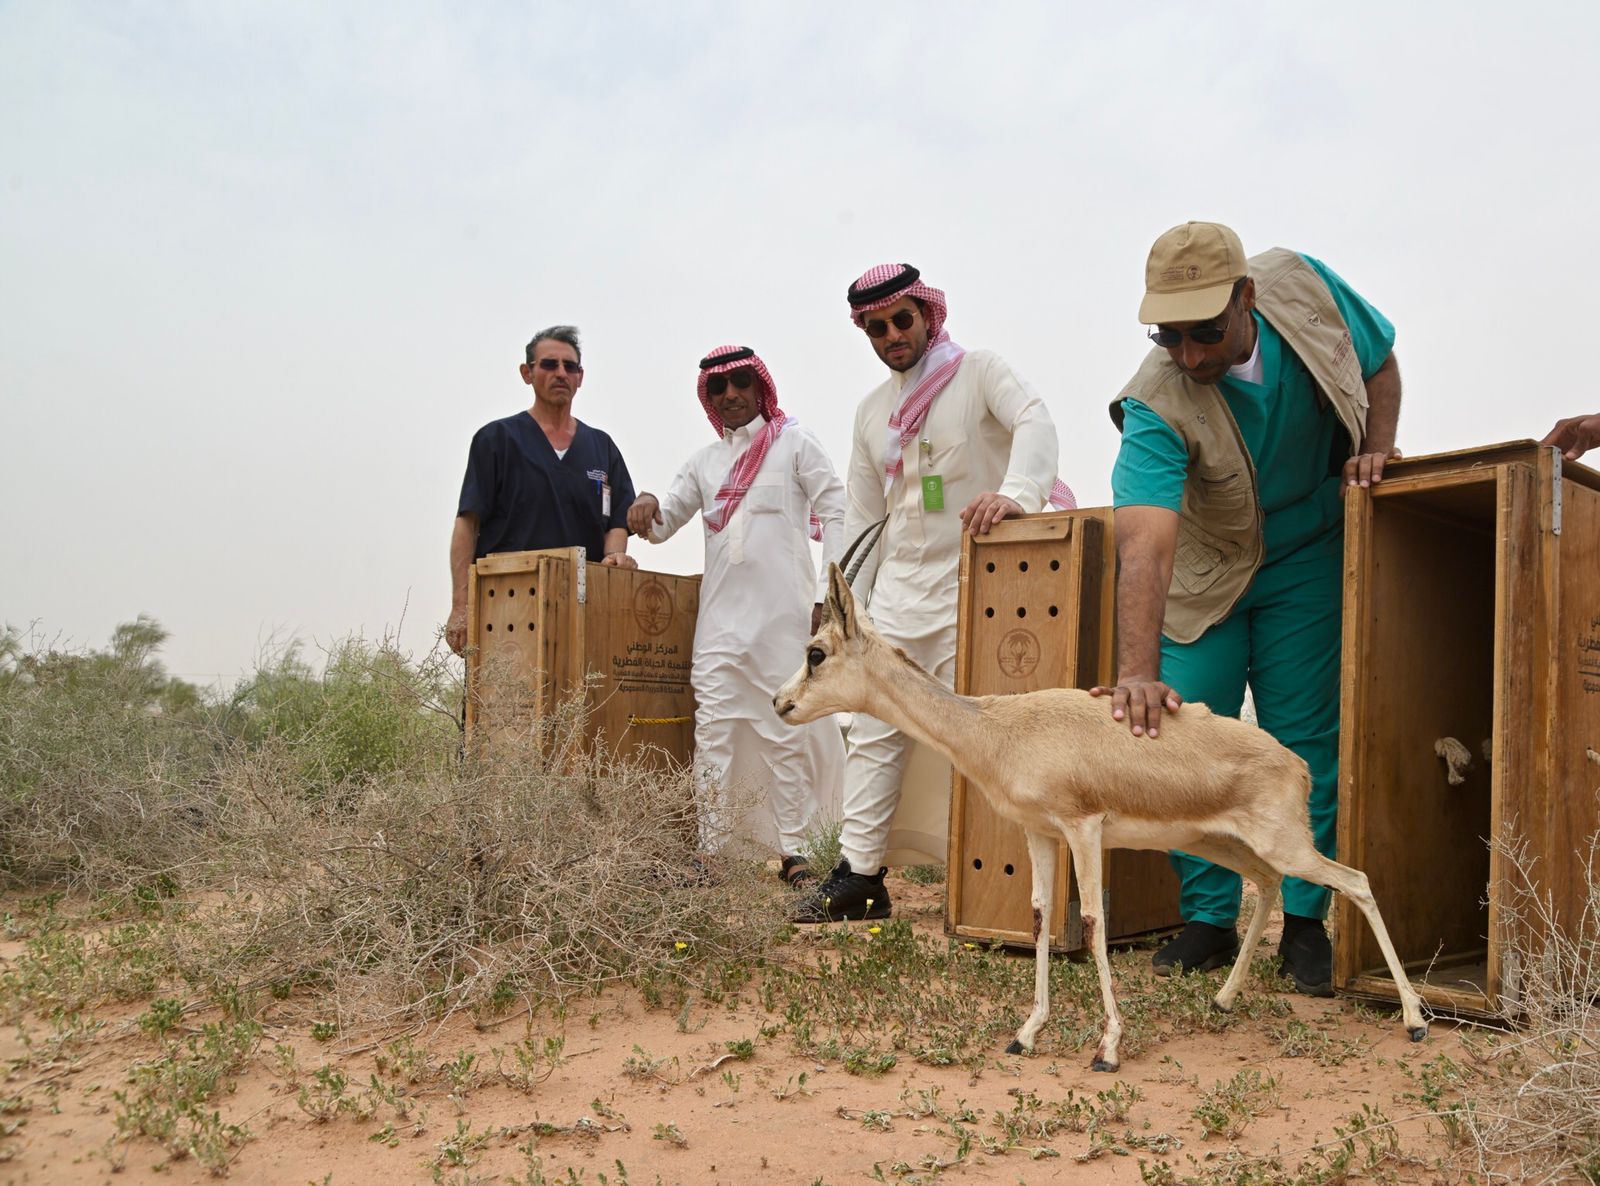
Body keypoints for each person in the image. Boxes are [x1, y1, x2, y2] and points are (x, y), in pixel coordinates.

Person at [1094, 221, 1402, 995]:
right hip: (1205, 572)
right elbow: (1146, 541)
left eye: (1207, 332)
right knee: (1188, 736)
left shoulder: (1309, 288)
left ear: (1248, 299)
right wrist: (1136, 672)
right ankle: (1207, 919)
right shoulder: (1155, 399)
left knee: (1303, 739)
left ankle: (1303, 921)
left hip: (1309, 551)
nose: (1190, 355)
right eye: (1170, 335)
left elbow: (1381, 365)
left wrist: (1381, 446)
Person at [796, 263, 1075, 923]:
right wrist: (836, 606)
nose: (892, 334)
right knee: (871, 731)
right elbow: (863, 521)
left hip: (978, 590)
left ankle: (1008, 890)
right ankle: (860, 879)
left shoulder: (978, 373)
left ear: (928, 315)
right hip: (896, 596)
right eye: (877, 327)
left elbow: (1035, 422)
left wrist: (1018, 494)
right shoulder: (872, 414)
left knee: (986, 737)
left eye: (901, 320)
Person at [627, 346, 846, 879]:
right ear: (709, 397)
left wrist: (829, 594)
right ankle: (712, 852)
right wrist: (647, 502)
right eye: (718, 388)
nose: (731, 395)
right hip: (720, 626)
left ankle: (795, 852)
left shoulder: (794, 443)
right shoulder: (704, 463)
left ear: (760, 387)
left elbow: (837, 507)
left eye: (741, 382)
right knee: (715, 735)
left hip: (786, 621)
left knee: (785, 732)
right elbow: (659, 527)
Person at [447, 326, 636, 655]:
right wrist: (461, 606)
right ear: (527, 373)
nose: (561, 373)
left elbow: (617, 521)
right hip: (506, 608)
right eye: (549, 364)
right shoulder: (496, 440)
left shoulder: (602, 447)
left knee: (580, 705)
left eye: (570, 366)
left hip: (583, 611)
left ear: (580, 377)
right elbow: (467, 523)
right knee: (505, 703)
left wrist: (613, 560)